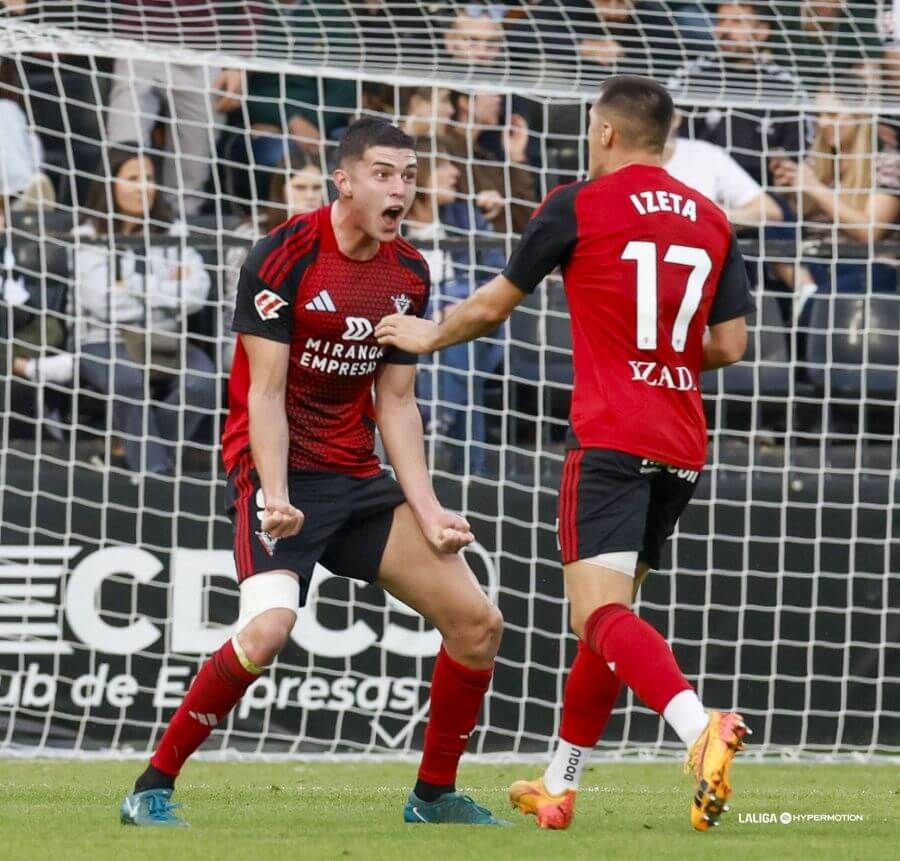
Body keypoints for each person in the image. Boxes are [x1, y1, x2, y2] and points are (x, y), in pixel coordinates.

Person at [376, 76, 754, 832]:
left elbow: (494, 302)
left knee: (600, 615)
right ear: (666, 139)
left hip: (612, 434)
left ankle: (696, 725)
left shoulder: (578, 201)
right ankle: (560, 781)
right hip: (680, 439)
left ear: (607, 133)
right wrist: (659, 355)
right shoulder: (712, 218)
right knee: (611, 620)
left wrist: (427, 333)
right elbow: (729, 345)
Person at [120, 118, 505, 828]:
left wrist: (427, 509)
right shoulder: (284, 255)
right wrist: (274, 493)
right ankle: (151, 784)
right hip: (279, 471)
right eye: (385, 174)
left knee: (479, 624)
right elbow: (263, 394)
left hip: (356, 479)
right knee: (266, 632)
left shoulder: (409, 274)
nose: (402, 189)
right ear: (346, 180)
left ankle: (432, 797)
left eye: (410, 175)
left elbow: (396, 401)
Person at [24, 146, 215, 474]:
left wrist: (133, 288)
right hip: (103, 340)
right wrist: (166, 289)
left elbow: (197, 292)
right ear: (110, 184)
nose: (144, 187)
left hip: (164, 340)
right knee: (128, 383)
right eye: (133, 178)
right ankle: (158, 475)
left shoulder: (174, 233)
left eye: (150, 178)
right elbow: (102, 302)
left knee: (202, 382)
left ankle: (139, 457)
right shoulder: (88, 236)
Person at [405, 145, 506, 473]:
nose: (455, 174)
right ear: (420, 176)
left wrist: (453, 307)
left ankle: (434, 423)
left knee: (458, 343)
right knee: (456, 356)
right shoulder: (392, 227)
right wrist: (436, 311)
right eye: (443, 165)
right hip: (414, 328)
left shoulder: (467, 218)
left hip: (467, 327)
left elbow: (496, 278)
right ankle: (467, 466)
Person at [770, 87, 900, 301]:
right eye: (819, 115)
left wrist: (815, 188)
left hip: (866, 265)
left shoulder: (888, 162)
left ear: (859, 116)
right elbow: (801, 221)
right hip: (817, 261)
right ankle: (805, 288)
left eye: (832, 115)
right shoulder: (817, 161)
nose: (823, 123)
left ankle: (807, 298)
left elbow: (869, 232)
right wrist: (787, 194)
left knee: (821, 302)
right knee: (771, 212)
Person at [668, 1, 808, 187]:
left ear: (762, 32)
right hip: (693, 186)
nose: (724, 30)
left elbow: (796, 155)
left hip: (761, 193)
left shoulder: (786, 87)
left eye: (736, 22)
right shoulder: (690, 77)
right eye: (721, 21)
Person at [220, 146, 326, 372]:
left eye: (316, 188)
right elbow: (237, 300)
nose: (309, 195)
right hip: (251, 334)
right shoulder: (250, 235)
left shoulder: (334, 237)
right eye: (300, 187)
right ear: (281, 190)